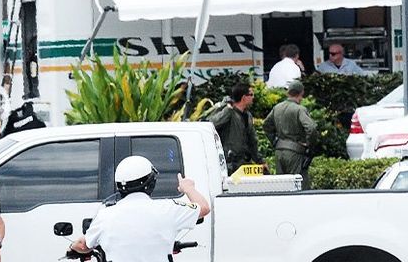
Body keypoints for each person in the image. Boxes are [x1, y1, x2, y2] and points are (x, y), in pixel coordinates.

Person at [69, 156, 210, 262]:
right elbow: (204, 207)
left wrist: (72, 249)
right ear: (151, 183)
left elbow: (82, 245)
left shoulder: (105, 215)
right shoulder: (168, 209)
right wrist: (188, 188)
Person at [263, 80, 318, 189]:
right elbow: (311, 128)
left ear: (288, 92)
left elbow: (266, 125)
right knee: (299, 186)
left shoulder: (277, 108)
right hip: (295, 151)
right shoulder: (299, 109)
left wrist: (274, 141)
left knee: (282, 187)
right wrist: (309, 146)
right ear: (301, 93)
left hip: (279, 151)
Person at [207, 82, 264, 174]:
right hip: (230, 163)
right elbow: (212, 123)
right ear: (243, 97)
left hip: (244, 163)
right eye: (251, 95)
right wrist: (227, 109)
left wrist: (260, 161)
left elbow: (253, 141)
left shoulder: (248, 115)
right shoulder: (229, 113)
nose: (253, 97)